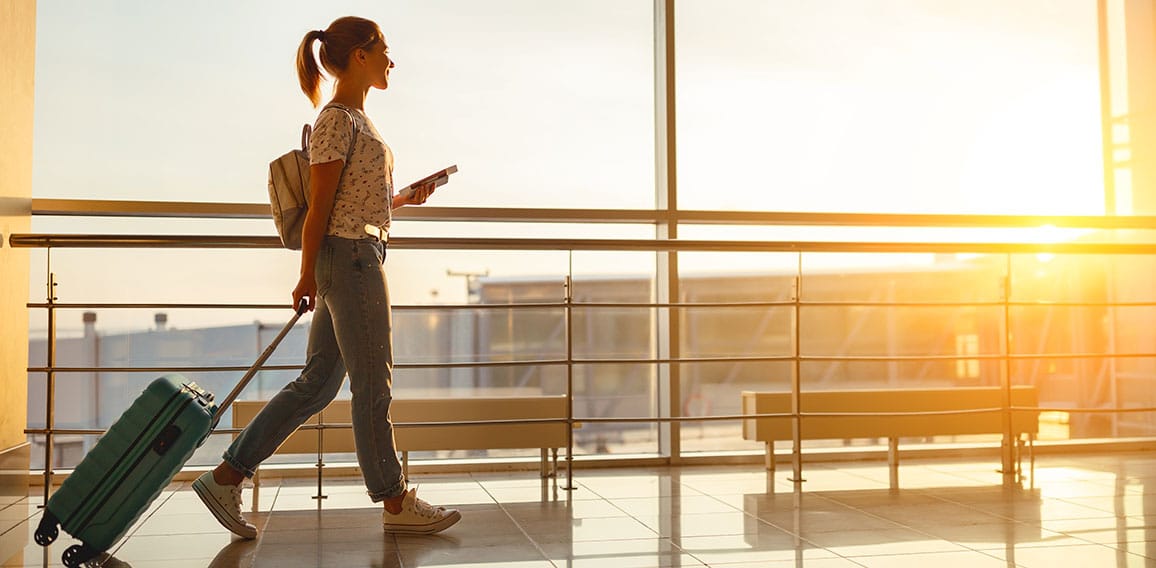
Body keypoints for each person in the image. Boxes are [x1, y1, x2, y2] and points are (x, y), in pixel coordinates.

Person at [194, 15, 461, 538]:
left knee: (317, 384)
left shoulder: (357, 120)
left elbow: (354, 202)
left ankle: (225, 477)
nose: (391, 59)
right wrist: (305, 276)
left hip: (358, 252)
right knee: (372, 385)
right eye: (385, 48)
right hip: (351, 260)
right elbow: (318, 210)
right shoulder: (337, 119)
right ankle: (394, 499)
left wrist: (403, 197)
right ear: (360, 54)